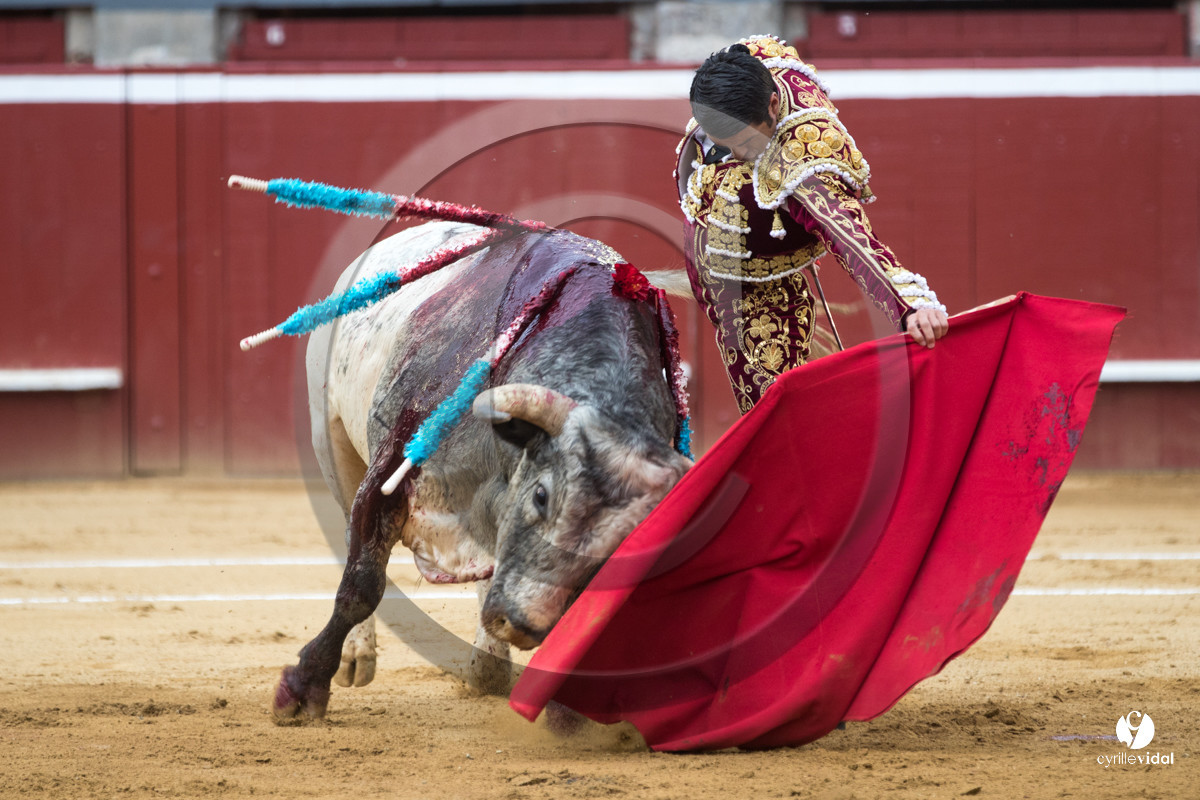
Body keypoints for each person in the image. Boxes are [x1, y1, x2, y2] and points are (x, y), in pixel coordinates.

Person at [676, 35, 949, 413]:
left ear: (774, 105)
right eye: (726, 143)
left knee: (774, 411)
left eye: (744, 142)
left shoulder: (802, 160)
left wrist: (911, 306)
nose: (738, 156)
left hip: (757, 278)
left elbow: (849, 236)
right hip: (721, 250)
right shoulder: (750, 69)